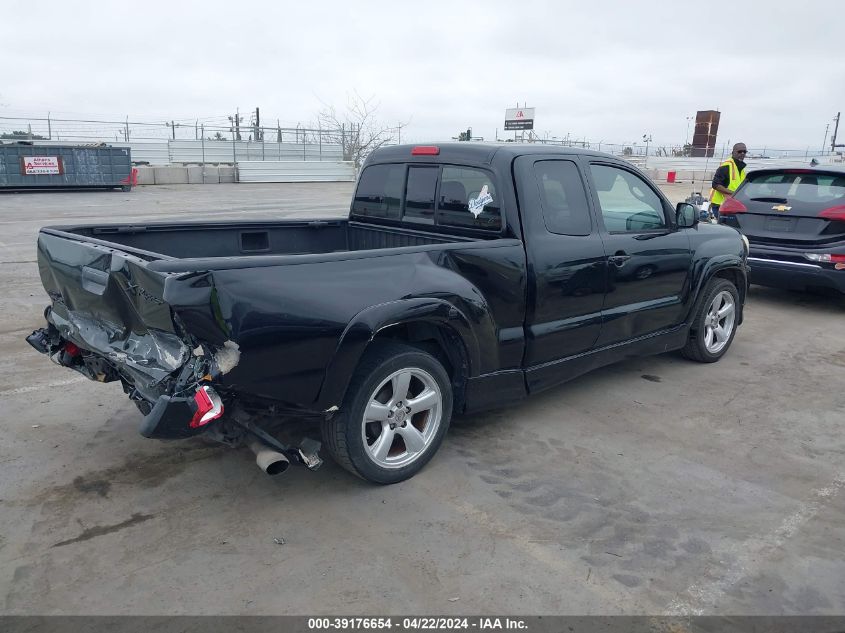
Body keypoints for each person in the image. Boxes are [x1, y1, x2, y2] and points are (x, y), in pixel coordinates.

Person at [707, 143, 748, 222]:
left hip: (732, 204)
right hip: (720, 204)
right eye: (739, 151)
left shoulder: (741, 169)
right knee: (725, 226)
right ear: (733, 153)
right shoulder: (726, 166)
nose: (742, 154)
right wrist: (734, 193)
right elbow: (716, 185)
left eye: (744, 152)